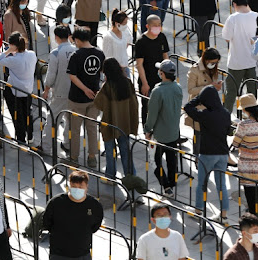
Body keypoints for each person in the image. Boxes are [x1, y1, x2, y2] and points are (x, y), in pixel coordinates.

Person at [184, 85, 232, 223]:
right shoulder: (226, 114)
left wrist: (198, 98)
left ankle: (198, 210)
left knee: (202, 183)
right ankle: (223, 215)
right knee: (221, 184)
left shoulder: (205, 115)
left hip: (207, 153)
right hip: (223, 153)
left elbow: (187, 108)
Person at [43, 170, 103, 260]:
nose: (77, 189)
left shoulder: (94, 205)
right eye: (74, 186)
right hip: (59, 254)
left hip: (83, 254)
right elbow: (47, 223)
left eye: (80, 186)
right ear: (69, 185)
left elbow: (95, 226)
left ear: (87, 186)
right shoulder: (56, 202)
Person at [94, 58, 138, 180]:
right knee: (125, 152)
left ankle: (110, 177)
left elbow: (98, 103)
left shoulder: (107, 87)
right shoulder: (128, 83)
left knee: (110, 151)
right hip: (125, 124)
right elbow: (134, 103)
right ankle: (130, 177)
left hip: (109, 124)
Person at [144, 60, 183, 197]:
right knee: (172, 160)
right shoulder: (178, 88)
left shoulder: (158, 91)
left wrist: (147, 129)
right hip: (173, 132)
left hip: (159, 135)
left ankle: (166, 186)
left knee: (155, 162)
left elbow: (152, 114)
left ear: (162, 73)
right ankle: (172, 183)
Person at [66, 28, 105, 167]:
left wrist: (84, 89)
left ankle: (74, 157)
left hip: (77, 98)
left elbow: (72, 76)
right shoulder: (100, 53)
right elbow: (102, 72)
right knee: (92, 127)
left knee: (75, 129)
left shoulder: (75, 55)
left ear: (77, 40)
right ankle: (92, 156)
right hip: (95, 97)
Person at [232, 94, 258, 216]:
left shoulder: (243, 125)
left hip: (248, 165)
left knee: (249, 192)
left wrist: (236, 131)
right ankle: (257, 211)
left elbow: (235, 143)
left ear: (244, 109)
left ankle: (253, 217)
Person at [39, 26, 76, 153]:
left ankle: (46, 146)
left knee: (52, 119)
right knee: (69, 119)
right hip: (74, 92)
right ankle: (67, 143)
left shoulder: (55, 53)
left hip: (59, 91)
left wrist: (47, 88)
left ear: (57, 37)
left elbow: (51, 74)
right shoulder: (75, 50)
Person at [0, 32, 37, 144]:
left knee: (17, 115)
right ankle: (30, 136)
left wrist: (8, 51)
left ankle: (20, 138)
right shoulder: (32, 55)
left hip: (14, 90)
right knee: (27, 113)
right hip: (28, 89)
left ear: (14, 45)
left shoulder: (13, 60)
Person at [222, 0, 258, 111]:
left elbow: (227, 37)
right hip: (253, 61)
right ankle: (253, 118)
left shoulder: (232, 18)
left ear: (234, 4)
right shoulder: (256, 16)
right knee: (252, 93)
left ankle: (226, 118)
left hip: (236, 62)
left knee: (231, 93)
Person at [186, 47, 223, 152]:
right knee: (198, 136)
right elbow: (190, 90)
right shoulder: (194, 70)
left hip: (212, 106)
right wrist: (208, 87)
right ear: (206, 60)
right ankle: (197, 158)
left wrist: (216, 87)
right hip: (199, 106)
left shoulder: (213, 69)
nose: (214, 65)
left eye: (216, 63)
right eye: (213, 62)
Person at [135, 14, 170, 125]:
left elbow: (165, 56)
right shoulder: (141, 42)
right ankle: (147, 133)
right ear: (147, 26)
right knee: (147, 107)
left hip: (161, 79)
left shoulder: (162, 37)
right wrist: (145, 84)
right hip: (148, 79)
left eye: (159, 25)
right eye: (154, 25)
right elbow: (139, 64)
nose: (157, 27)